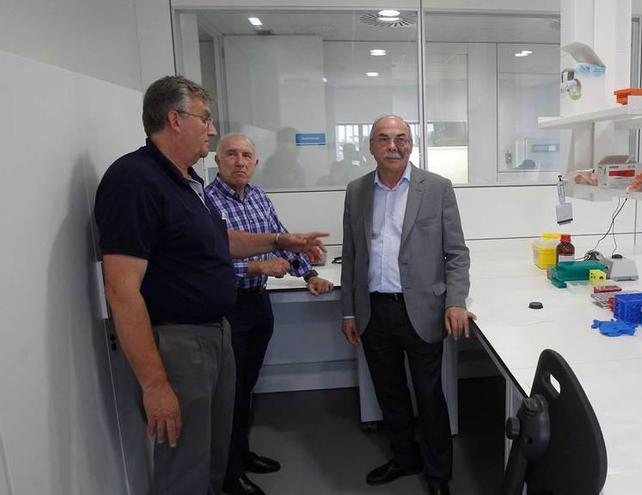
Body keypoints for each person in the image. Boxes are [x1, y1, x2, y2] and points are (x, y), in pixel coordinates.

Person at [94, 76, 327, 495]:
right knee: (184, 463)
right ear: (174, 119)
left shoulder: (184, 181)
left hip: (213, 332)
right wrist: (155, 384)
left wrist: (279, 241)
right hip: (179, 343)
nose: (212, 128)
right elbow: (121, 289)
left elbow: (217, 241)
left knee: (214, 456)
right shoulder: (134, 180)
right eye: (205, 118)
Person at [340, 114, 474, 495]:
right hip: (373, 311)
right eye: (384, 139)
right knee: (390, 392)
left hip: (423, 310)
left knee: (430, 396)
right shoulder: (356, 190)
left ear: (412, 144)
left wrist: (456, 301)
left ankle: (438, 475)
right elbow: (352, 256)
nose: (393, 146)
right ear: (371, 146)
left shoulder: (436, 188)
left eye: (401, 138)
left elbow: (456, 254)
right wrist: (349, 310)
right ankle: (404, 457)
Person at [205, 133, 334, 495]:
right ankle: (229, 477)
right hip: (227, 307)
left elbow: (282, 239)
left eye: (247, 155)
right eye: (231, 154)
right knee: (228, 394)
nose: (240, 161)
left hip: (258, 305)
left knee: (246, 387)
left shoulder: (260, 196)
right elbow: (207, 264)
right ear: (218, 160)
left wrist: (308, 272)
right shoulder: (207, 202)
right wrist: (256, 269)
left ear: (256, 163)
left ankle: (242, 456)